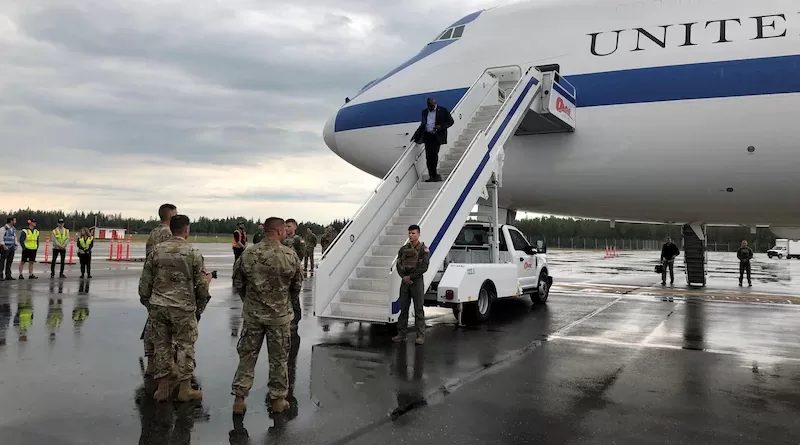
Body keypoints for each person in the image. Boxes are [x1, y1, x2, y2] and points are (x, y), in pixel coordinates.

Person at [231, 217, 303, 415]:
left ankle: (239, 399)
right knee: (279, 359)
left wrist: (249, 301)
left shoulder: (248, 255)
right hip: (279, 317)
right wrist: (283, 302)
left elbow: (238, 282)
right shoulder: (289, 255)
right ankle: (278, 400)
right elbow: (296, 287)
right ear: (280, 231)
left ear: (266, 231)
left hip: (253, 316)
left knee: (247, 357)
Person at [138, 214, 212, 403]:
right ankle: (184, 389)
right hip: (182, 307)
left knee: (161, 346)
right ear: (186, 229)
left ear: (171, 229)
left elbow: (144, 284)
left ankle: (162, 389)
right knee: (185, 345)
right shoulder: (193, 252)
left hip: (159, 306)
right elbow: (201, 287)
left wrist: (149, 302)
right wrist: (203, 297)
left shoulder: (157, 251)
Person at [142, 203, 177, 376]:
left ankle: (150, 362)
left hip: (154, 283)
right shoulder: (169, 234)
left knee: (152, 323)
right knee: (170, 328)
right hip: (168, 286)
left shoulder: (153, 233)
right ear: (170, 216)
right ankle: (168, 365)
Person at [392, 225, 430, 345]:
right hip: (405, 282)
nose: (411, 235)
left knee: (418, 309)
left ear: (418, 234)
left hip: (416, 281)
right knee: (403, 309)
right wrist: (404, 276)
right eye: (409, 233)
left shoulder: (424, 249)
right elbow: (398, 264)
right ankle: (401, 334)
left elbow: (424, 266)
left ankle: (420, 336)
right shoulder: (403, 249)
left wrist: (411, 277)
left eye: (413, 233)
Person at [411, 97, 454, 182]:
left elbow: (450, 122)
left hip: (436, 136)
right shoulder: (425, 112)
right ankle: (431, 176)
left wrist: (440, 127)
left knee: (434, 156)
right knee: (428, 157)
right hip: (427, 136)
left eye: (431, 105)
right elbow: (423, 124)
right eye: (429, 106)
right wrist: (416, 136)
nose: (430, 107)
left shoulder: (442, 110)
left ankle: (434, 175)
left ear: (435, 103)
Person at [282, 219, 305, 326]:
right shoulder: (282, 239)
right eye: (285, 226)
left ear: (295, 227)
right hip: (283, 272)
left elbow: (300, 256)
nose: (287, 228)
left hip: (294, 272)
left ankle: (296, 318)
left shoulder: (297, 240)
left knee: (294, 296)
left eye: (289, 226)